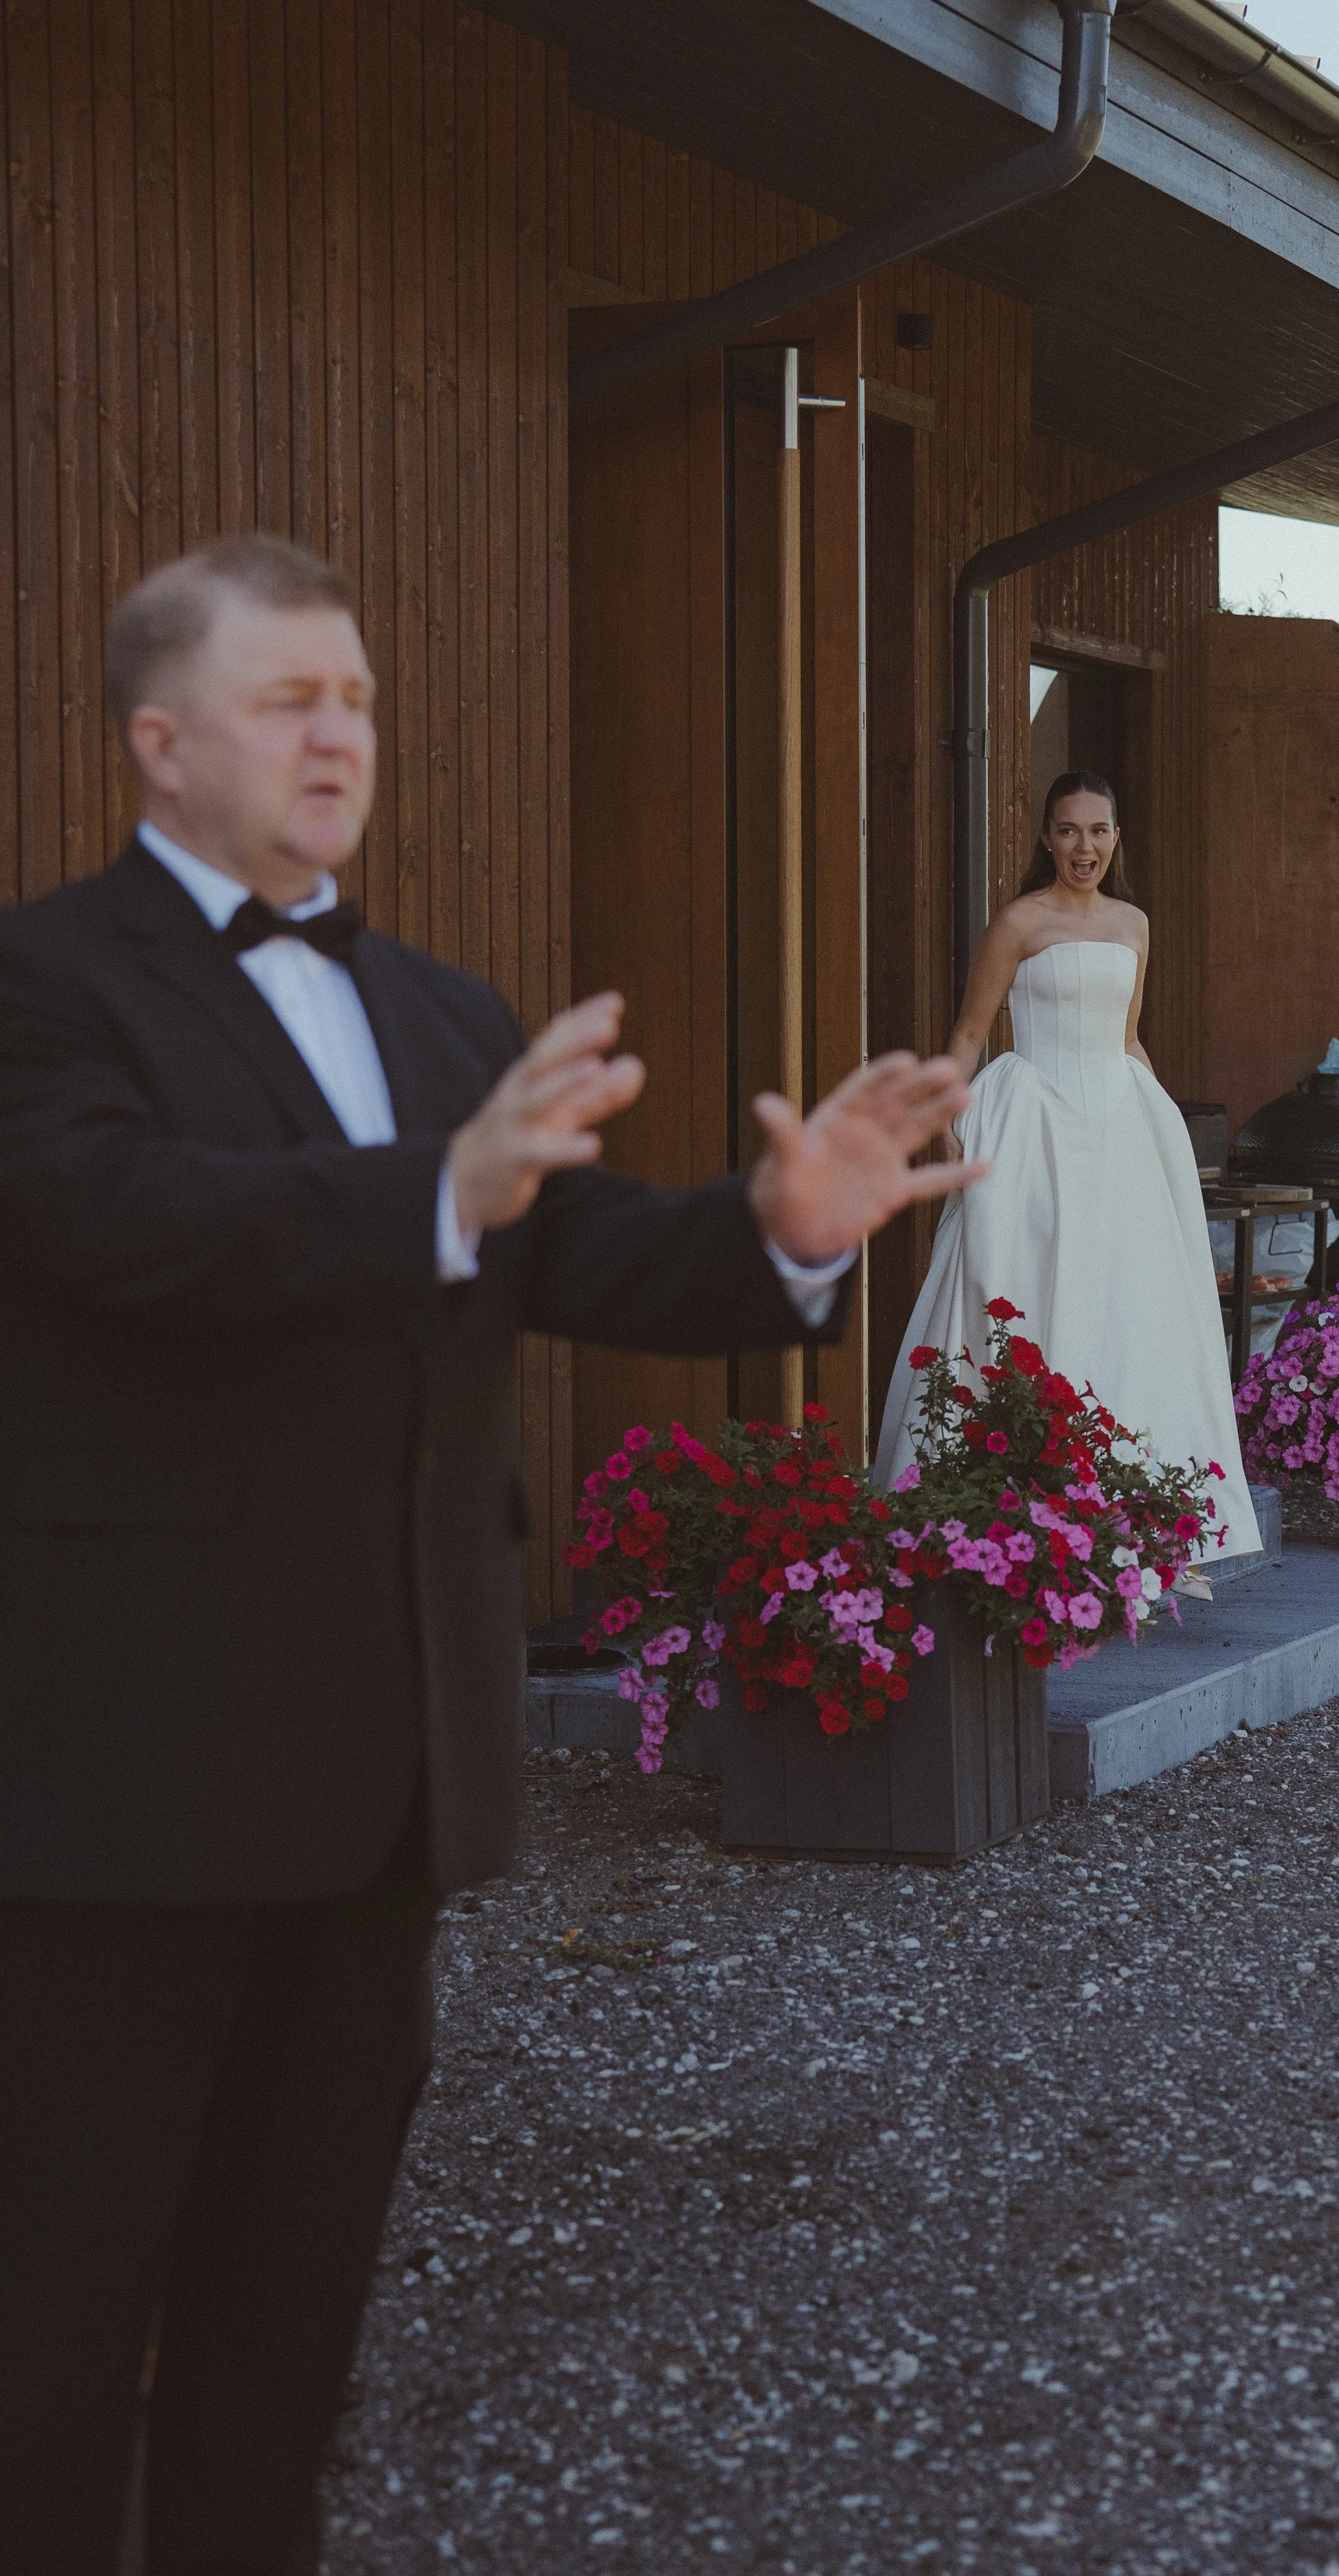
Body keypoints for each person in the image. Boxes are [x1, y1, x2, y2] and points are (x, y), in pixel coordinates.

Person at [0, 534, 981, 2573]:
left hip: (384, 1784)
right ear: (159, 739)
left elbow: (574, 1249)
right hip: (126, 1789)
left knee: (285, 2331)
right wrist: (435, 1187)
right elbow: (118, 1220)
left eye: (357, 697)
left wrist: (782, 1226)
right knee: (52, 2331)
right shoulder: (42, 982)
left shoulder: (441, 1011)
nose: (339, 734)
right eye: (289, 698)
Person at [872, 769, 1259, 1560]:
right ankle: (996, 1503)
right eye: (1069, 830)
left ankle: (1133, 1511)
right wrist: (943, 1120)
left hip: (1117, 1126)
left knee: (1129, 1298)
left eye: (1098, 831)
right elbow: (969, 1033)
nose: (1085, 846)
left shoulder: (1133, 924)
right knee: (1021, 1284)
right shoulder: (1018, 922)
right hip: (1032, 1122)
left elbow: (1127, 1038)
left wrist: (1161, 1128)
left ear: (1116, 839)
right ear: (1047, 838)